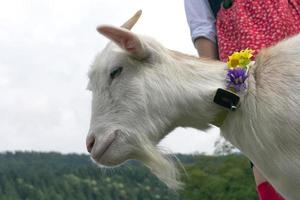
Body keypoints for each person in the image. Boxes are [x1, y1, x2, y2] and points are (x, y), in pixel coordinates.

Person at [184, 0, 300, 199]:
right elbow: (202, 28)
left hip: (293, 42)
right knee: (265, 150)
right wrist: (213, 84)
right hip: (246, 67)